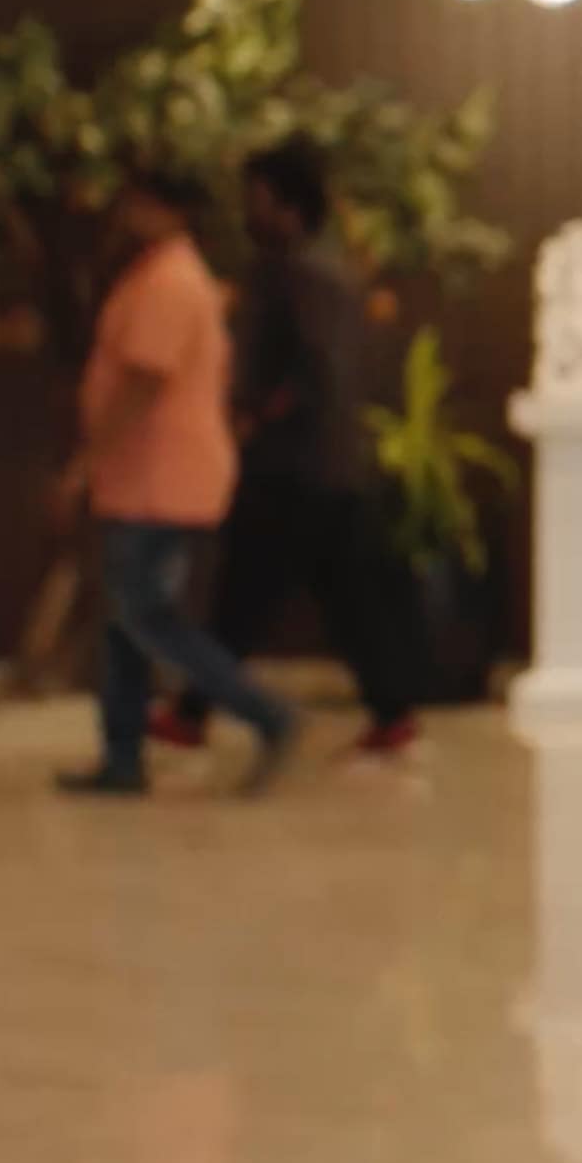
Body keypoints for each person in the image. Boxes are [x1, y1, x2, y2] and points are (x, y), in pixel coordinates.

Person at [155, 137, 427, 759]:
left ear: (290, 207)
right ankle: (392, 714)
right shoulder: (320, 271)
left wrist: (255, 415)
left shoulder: (297, 274)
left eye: (257, 200)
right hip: (325, 467)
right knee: (335, 597)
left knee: (244, 594)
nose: (247, 213)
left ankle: (194, 713)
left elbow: (315, 368)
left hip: (295, 468)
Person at [55, 171, 295, 798]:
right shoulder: (158, 274)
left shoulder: (168, 281)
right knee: (124, 622)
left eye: (139, 205)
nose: (127, 216)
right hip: (141, 478)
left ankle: (268, 715)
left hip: (159, 477)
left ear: (170, 212)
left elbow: (144, 379)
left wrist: (87, 460)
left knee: (145, 616)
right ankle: (122, 757)